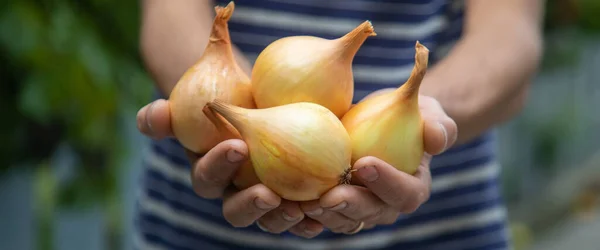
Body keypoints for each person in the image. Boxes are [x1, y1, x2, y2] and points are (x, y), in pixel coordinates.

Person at [134, 0, 544, 249]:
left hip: (440, 228)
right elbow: (165, 11)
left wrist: (424, 112)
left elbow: (510, 32)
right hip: (202, 227)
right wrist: (224, 112)